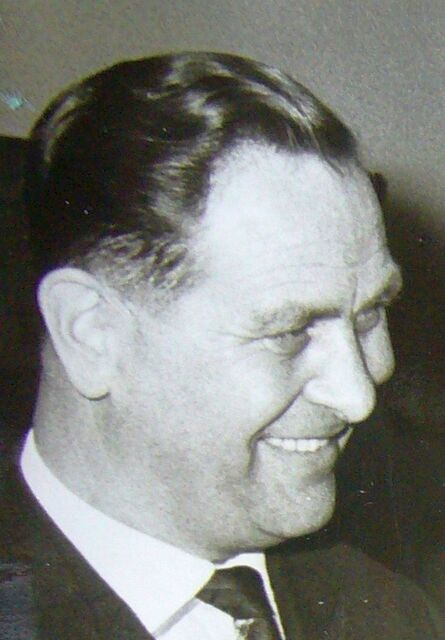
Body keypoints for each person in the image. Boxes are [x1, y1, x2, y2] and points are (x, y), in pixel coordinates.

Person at [2, 52, 443, 639]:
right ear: (91, 330)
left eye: (368, 315)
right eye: (289, 332)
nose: (358, 396)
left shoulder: (394, 614)